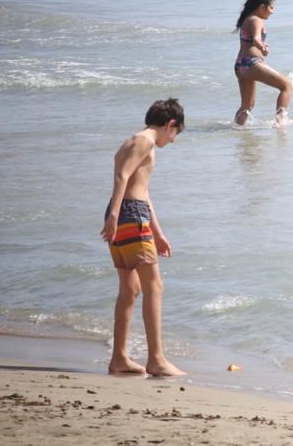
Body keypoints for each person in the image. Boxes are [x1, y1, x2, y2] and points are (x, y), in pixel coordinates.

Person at [101, 98, 185, 377]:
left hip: (127, 214)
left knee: (131, 289)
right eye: (175, 134)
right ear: (170, 124)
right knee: (155, 287)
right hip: (128, 215)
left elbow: (143, 192)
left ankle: (119, 359)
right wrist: (115, 216)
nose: (173, 141)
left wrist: (158, 234)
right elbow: (121, 178)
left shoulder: (133, 141)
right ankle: (156, 359)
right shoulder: (144, 140)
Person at [234, 0, 292, 126]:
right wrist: (262, 47)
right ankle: (280, 124)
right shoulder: (256, 20)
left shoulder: (247, 19)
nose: (272, 12)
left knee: (246, 106)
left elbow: (251, 40)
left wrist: (260, 47)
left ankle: (236, 128)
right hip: (251, 63)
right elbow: (255, 39)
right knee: (286, 86)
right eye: (271, 8)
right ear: (262, 7)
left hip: (240, 65)